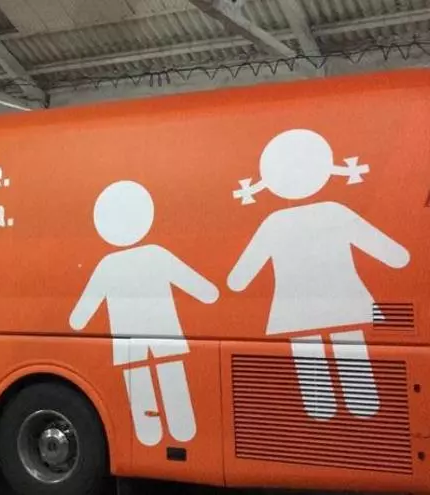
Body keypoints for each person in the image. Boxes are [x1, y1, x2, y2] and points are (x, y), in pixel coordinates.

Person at [228, 129, 410, 419]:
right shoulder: (335, 212)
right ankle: (363, 412)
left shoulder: (274, 223)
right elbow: (396, 257)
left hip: (294, 313)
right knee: (355, 366)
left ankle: (322, 413)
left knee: (311, 371)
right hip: (348, 304)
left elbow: (238, 280)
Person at [70, 180, 219, 447]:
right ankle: (182, 429)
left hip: (129, 344)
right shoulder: (156, 254)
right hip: (166, 335)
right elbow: (205, 291)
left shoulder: (108, 265)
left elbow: (79, 318)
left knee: (138, 382)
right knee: (172, 375)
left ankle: (149, 435)